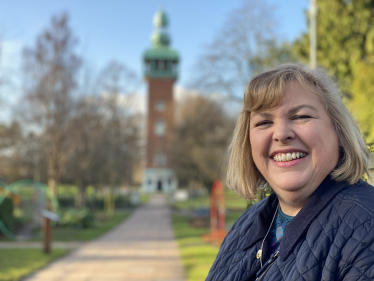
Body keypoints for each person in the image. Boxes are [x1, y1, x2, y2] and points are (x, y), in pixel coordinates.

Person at [206, 63, 374, 281]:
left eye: (301, 116)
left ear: (339, 132)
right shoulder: (248, 222)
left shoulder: (366, 224)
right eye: (264, 122)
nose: (281, 134)